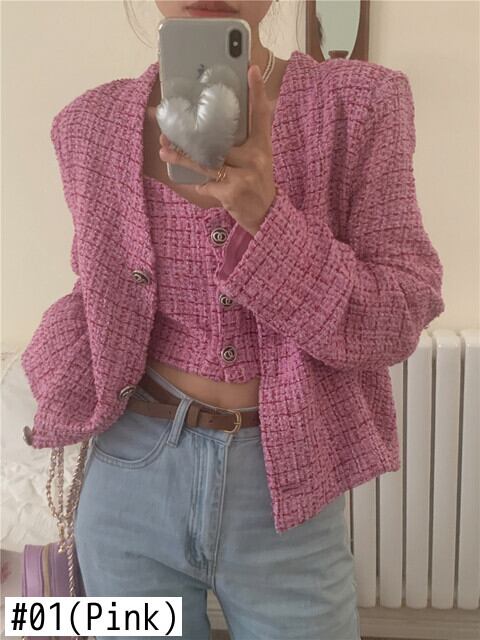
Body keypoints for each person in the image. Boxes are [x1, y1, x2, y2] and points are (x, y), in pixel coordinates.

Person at [21, 1, 445, 638]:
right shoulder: (88, 125)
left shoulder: (357, 104)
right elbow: (100, 294)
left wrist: (268, 219)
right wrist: (55, 369)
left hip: (288, 492)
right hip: (129, 476)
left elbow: (399, 312)